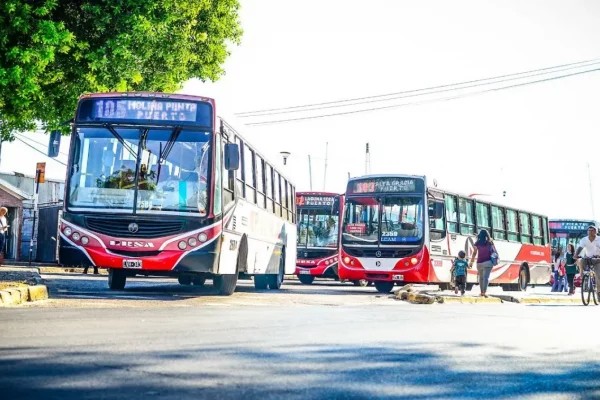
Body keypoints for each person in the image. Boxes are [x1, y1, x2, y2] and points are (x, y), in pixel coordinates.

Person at [469, 229, 496, 297]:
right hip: (488, 262)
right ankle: (484, 292)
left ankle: (482, 292)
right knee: (486, 278)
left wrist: (471, 262)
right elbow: (494, 251)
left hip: (479, 263)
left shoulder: (477, 243)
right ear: (487, 235)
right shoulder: (490, 242)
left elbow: (474, 253)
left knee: (481, 278)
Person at [575, 225, 600, 296]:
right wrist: (576, 255)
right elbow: (580, 248)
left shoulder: (599, 239)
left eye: (592, 231)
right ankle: (581, 273)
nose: (590, 232)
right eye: (589, 231)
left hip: (597, 259)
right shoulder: (584, 239)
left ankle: (599, 293)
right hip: (588, 258)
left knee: (598, 276)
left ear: (596, 232)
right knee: (580, 260)